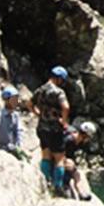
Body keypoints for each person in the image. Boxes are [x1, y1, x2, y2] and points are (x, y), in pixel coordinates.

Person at [30, 65, 70, 194]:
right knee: (59, 158)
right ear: (59, 79)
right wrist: (63, 121)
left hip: (42, 127)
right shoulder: (58, 92)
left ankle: (45, 182)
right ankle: (58, 187)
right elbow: (66, 107)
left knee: (45, 156)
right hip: (55, 129)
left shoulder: (40, 90)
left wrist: (37, 114)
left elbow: (29, 104)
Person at [0, 85, 27, 161]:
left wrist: (20, 147)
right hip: (1, 150)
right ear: (6, 100)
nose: (17, 102)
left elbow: (19, 132)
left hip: (13, 149)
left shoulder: (16, 116)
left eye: (17, 99)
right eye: (14, 99)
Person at [63, 120, 96, 201]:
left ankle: (80, 193)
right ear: (85, 135)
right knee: (71, 170)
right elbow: (57, 151)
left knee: (77, 175)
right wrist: (65, 160)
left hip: (67, 160)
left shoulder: (80, 142)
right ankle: (65, 186)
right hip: (58, 160)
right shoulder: (69, 140)